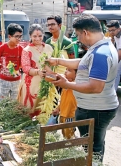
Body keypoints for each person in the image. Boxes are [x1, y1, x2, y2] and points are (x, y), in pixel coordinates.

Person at [46, 14, 119, 162]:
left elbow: (95, 87)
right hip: (96, 107)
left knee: (92, 147)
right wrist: (59, 61)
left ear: (85, 32)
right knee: (95, 144)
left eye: (78, 35)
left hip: (95, 109)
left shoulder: (100, 54)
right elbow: (84, 62)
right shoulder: (101, 46)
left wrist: (66, 84)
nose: (78, 39)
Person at [17, 24, 53, 111]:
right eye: (35, 36)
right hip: (32, 84)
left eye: (40, 36)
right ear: (30, 36)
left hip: (47, 82)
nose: (37, 38)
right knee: (29, 110)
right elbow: (25, 68)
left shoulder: (49, 48)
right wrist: (38, 72)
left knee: (45, 110)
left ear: (43, 35)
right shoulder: (27, 50)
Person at [0, 23, 23, 101]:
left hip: (16, 81)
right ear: (9, 36)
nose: (19, 39)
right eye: (16, 36)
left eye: (20, 36)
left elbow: (22, 65)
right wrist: (2, 67)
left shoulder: (21, 49)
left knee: (15, 104)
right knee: (2, 104)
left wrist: (14, 68)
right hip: (4, 81)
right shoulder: (1, 48)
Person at [52, 68, 77, 139]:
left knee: (69, 136)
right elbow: (63, 99)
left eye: (69, 70)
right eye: (66, 69)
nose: (65, 72)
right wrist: (58, 109)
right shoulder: (65, 84)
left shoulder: (75, 85)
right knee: (64, 134)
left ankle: (71, 147)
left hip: (70, 115)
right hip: (63, 114)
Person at [106, 20, 121, 91]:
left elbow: (120, 52)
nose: (111, 32)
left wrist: (114, 63)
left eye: (113, 30)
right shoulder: (116, 35)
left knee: (116, 71)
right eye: (109, 30)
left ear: (119, 29)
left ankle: (113, 91)